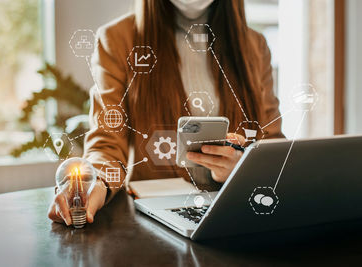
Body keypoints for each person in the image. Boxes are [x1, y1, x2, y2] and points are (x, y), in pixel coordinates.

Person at [48, 0, 284, 226]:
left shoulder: (254, 46)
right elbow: (107, 144)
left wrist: (242, 169)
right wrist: (94, 183)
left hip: (239, 215)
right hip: (157, 222)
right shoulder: (118, 40)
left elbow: (272, 143)